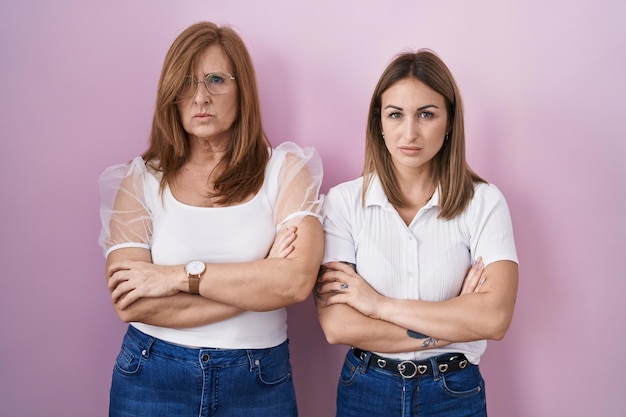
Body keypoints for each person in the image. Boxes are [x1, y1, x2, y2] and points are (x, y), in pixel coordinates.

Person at [98, 21, 324, 417]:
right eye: (186, 83)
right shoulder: (141, 178)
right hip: (152, 374)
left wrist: (177, 277)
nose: (200, 96)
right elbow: (129, 302)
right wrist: (260, 278)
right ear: (172, 95)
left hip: (258, 380)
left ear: (243, 91)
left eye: (216, 79)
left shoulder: (286, 169)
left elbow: (295, 283)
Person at [315, 49, 519, 417]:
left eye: (426, 114)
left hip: (454, 392)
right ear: (379, 122)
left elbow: (494, 319)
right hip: (366, 389)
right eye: (395, 114)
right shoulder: (344, 203)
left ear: (450, 121)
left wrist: (378, 305)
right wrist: (454, 325)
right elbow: (338, 324)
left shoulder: (484, 202)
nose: (410, 132)